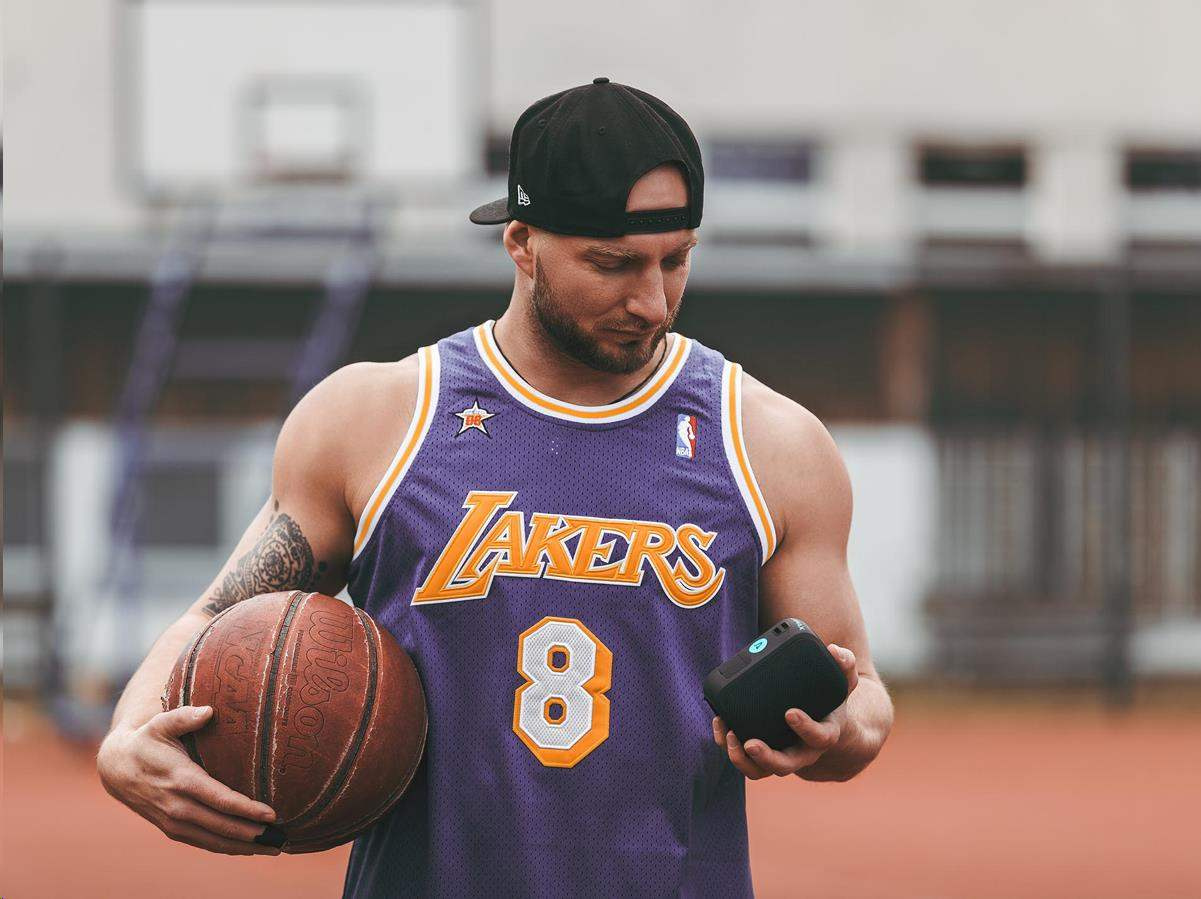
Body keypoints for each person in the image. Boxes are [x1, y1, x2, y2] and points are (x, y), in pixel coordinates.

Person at [97, 77, 894, 897]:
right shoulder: (374, 419)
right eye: (613, 263)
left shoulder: (770, 444)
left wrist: (835, 730)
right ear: (521, 242)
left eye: (676, 259)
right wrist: (126, 736)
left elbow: (861, 693)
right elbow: (215, 617)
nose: (652, 301)